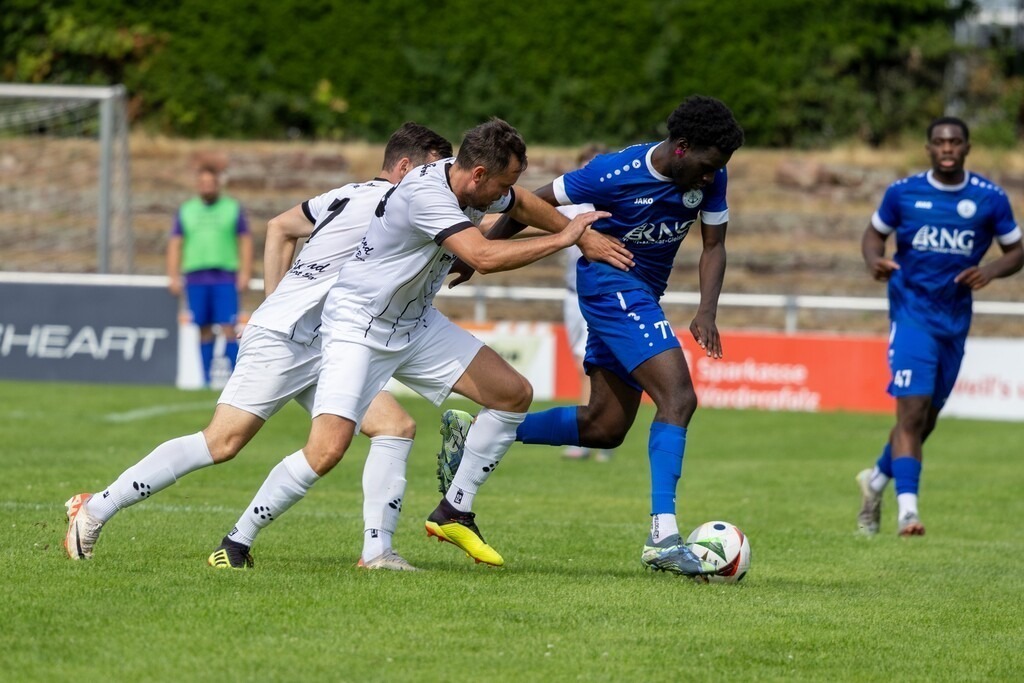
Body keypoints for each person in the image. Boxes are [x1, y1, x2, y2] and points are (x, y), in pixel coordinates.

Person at [204, 118, 628, 570]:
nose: (506, 195)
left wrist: (582, 233)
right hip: (358, 325)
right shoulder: (428, 193)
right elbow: (482, 256)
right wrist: (567, 236)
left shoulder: (470, 179)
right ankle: (236, 542)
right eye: (504, 181)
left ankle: (450, 512)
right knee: (327, 449)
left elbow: (521, 203)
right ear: (479, 175)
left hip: (413, 323)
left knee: (512, 393)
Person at [64, 123, 454, 571]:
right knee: (221, 442)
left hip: (332, 343)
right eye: (431, 170)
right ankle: (95, 510)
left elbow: (280, 227)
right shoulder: (391, 204)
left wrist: (277, 297)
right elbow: (282, 229)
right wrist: (278, 311)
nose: (438, 182)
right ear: (405, 167)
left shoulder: (346, 193)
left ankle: (371, 552)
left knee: (394, 427)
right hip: (287, 339)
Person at [438, 96, 745, 577]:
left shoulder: (713, 176)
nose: (712, 178)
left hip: (642, 295)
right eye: (708, 165)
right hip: (610, 286)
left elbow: (715, 245)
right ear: (682, 147)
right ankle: (663, 538)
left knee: (605, 426)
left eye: (719, 169)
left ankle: (480, 431)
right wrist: (479, 254)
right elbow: (528, 201)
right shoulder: (613, 172)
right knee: (678, 397)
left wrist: (707, 309)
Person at [856, 116, 1022, 537]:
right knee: (910, 412)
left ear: (967, 148)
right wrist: (874, 260)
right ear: (928, 148)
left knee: (926, 419)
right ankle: (907, 512)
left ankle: (874, 480)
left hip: (954, 320)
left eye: (955, 142)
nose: (947, 148)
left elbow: (1017, 250)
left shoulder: (989, 198)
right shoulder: (903, 192)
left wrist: (991, 271)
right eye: (939, 142)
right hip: (911, 312)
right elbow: (873, 235)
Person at [167, 163, 253, 387]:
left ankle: (234, 381)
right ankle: (205, 380)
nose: (206, 186)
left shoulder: (232, 208)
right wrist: (173, 275)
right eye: (202, 182)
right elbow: (175, 243)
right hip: (196, 276)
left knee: (228, 326)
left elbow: (245, 240)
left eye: (210, 182)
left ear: (217, 184)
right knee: (203, 328)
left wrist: (245, 271)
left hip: (224, 276)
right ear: (197, 185)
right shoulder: (186, 210)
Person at [558, 143, 614, 462]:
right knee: (584, 365)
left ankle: (594, 434)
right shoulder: (568, 208)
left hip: (603, 295)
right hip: (573, 293)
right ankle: (592, 433)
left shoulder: (614, 205)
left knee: (597, 365)